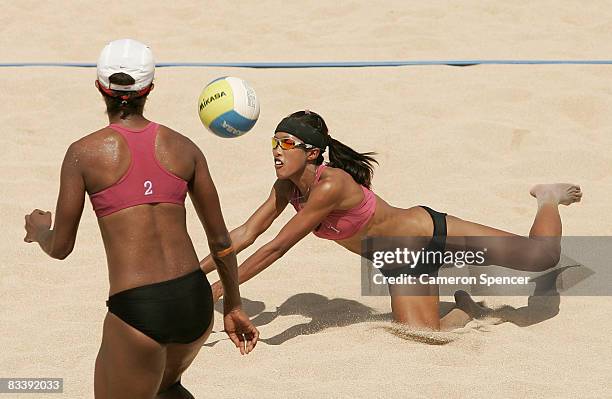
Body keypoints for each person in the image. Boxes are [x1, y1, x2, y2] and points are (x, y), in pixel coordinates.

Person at [200, 109, 582, 331]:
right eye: (273, 143)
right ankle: (469, 308)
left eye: (286, 143)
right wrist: (193, 274)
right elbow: (246, 233)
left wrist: (220, 289)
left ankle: (548, 197)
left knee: (542, 257)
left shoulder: (331, 184)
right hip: (402, 262)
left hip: (431, 234)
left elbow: (278, 246)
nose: (276, 152)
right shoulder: (285, 188)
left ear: (313, 151)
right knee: (424, 335)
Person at [23, 39, 258, 399]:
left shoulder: (83, 153)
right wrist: (234, 304)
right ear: (149, 88)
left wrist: (41, 231)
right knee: (167, 389)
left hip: (140, 309)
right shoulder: (184, 147)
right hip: (195, 301)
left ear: (100, 86)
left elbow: (61, 248)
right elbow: (221, 242)